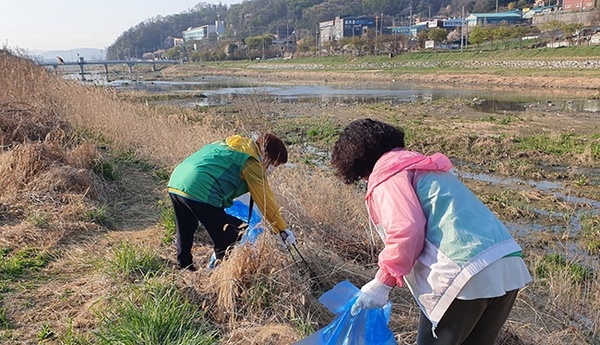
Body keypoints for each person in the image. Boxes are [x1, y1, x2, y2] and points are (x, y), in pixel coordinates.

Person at [330, 119, 531, 344]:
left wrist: (383, 281)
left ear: (357, 160)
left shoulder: (388, 176)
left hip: (463, 275)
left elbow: (406, 228)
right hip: (506, 265)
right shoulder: (424, 168)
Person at [167, 133, 295, 271]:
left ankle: (184, 267)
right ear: (266, 155)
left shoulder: (236, 145)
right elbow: (265, 200)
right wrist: (281, 229)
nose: (272, 169)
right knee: (229, 239)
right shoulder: (252, 162)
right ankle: (219, 277)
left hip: (177, 181)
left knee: (186, 227)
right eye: (273, 165)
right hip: (199, 189)